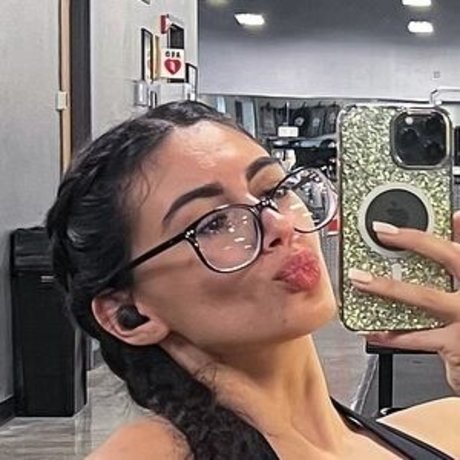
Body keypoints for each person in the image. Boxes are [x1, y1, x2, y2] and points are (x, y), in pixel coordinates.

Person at [46, 101, 460, 459]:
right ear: (129, 313)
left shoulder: (445, 426)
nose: (279, 223)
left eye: (273, 190)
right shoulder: (146, 453)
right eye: (214, 223)